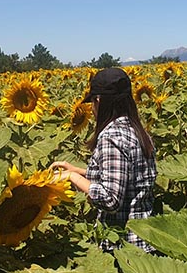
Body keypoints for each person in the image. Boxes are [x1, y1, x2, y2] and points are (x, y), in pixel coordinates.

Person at [50, 67, 157, 253]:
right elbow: (125, 177)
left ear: (99, 101)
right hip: (146, 240)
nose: (92, 109)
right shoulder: (138, 131)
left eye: (92, 102)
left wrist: (72, 177)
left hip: (124, 248)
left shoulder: (111, 137)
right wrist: (78, 171)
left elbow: (110, 200)